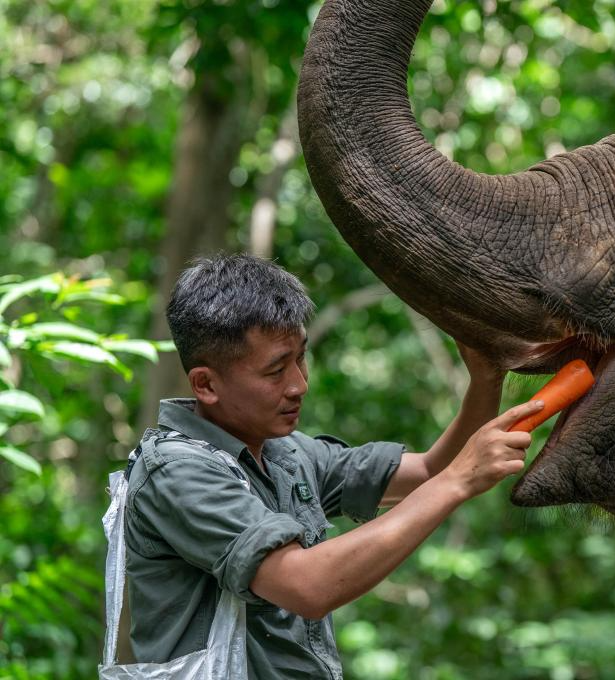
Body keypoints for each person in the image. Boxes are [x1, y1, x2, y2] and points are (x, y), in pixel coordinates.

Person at [118, 253, 543, 678]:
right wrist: (458, 480)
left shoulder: (286, 454)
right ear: (206, 384)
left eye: (300, 358)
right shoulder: (177, 473)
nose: (299, 384)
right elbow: (307, 585)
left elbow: (431, 472)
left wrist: (486, 378)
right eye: (275, 371)